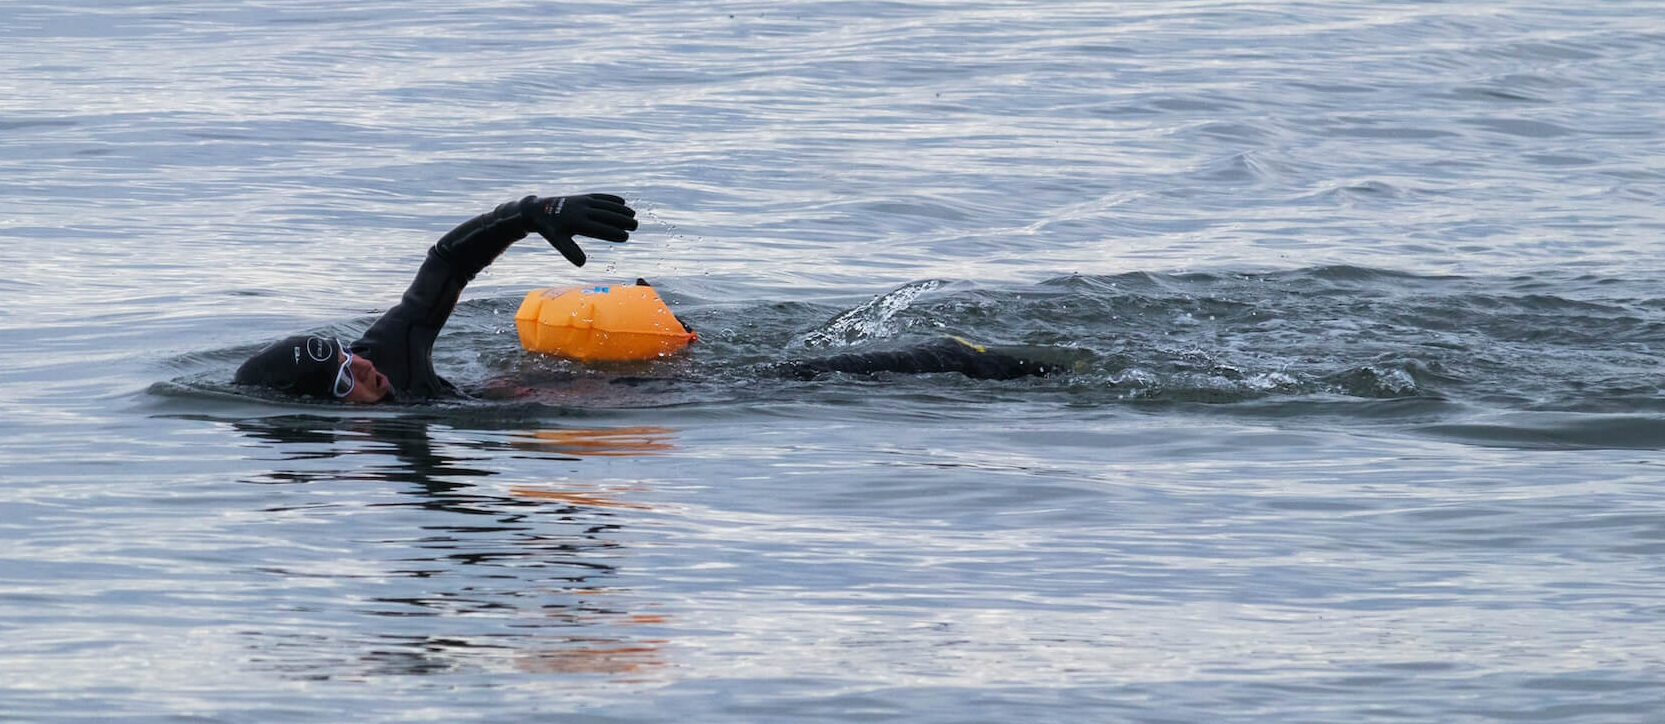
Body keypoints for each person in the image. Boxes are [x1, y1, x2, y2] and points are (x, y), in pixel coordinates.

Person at [234, 194, 1074, 404]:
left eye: (351, 358)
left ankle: (973, 361)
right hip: (605, 402)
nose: (366, 374)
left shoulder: (390, 357)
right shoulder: (391, 460)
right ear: (324, 413)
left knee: (811, 376)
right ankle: (972, 366)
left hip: (613, 390)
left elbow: (443, 265)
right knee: (800, 378)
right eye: (346, 383)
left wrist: (534, 213)